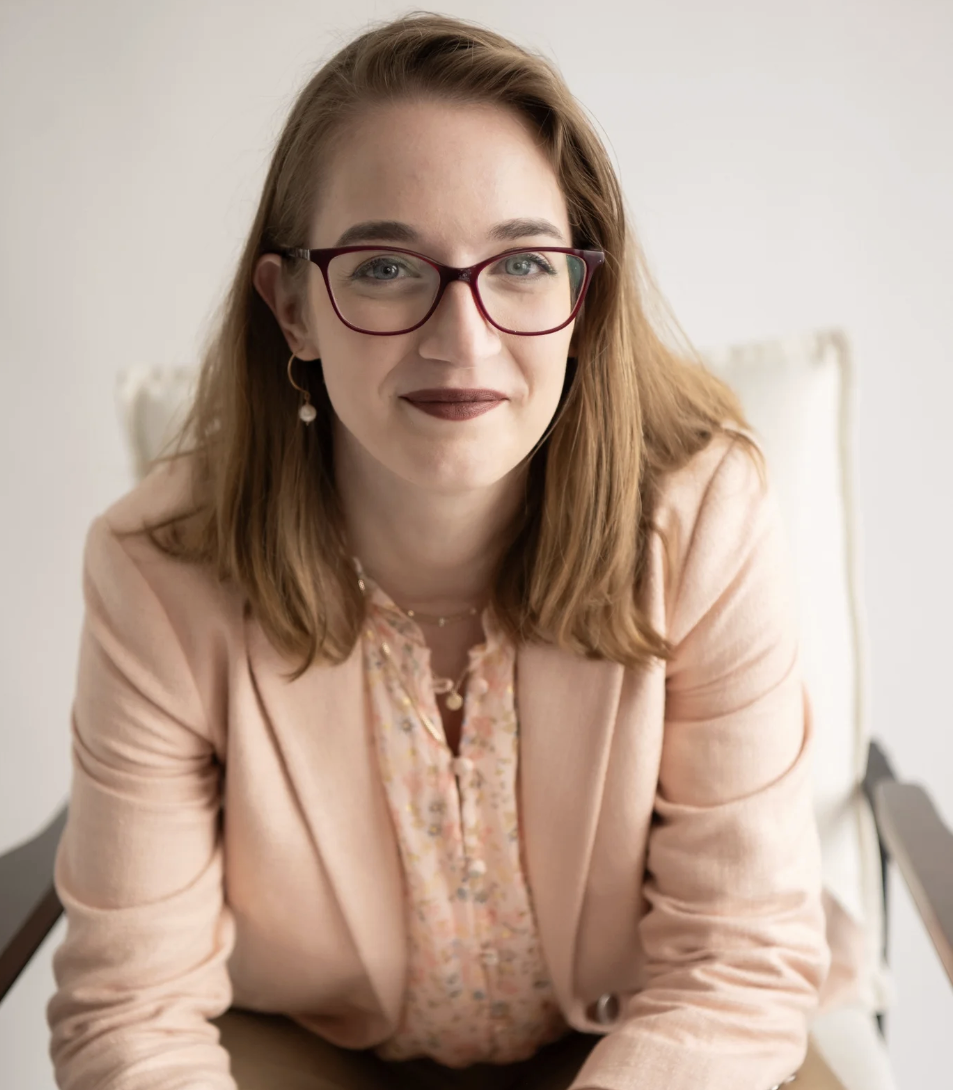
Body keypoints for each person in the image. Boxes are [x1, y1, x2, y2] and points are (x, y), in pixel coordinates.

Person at [46, 13, 861, 1090]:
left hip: (650, 1038)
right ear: (292, 306)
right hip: (312, 1052)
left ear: (582, 296)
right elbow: (132, 1016)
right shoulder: (155, 573)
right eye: (386, 266)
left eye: (521, 261)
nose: (461, 338)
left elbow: (734, 962)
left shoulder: (705, 520)